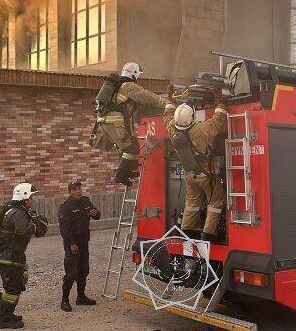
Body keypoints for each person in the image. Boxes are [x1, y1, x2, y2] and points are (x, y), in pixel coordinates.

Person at [164, 89, 227, 242]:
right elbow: (219, 119)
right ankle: (208, 234)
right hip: (206, 173)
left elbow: (167, 116)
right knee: (216, 201)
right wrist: (220, 102)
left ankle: (187, 231)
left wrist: (170, 100)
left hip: (189, 174)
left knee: (192, 202)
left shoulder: (172, 128)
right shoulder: (201, 129)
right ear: (191, 117)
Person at [92, 62, 167, 186]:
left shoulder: (117, 86)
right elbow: (148, 97)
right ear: (134, 74)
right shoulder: (129, 86)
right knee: (132, 148)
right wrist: (166, 103)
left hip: (104, 122)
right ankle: (120, 175)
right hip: (116, 122)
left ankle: (129, 171)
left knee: (128, 146)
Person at [0, 183, 48, 329]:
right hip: (9, 257)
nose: (33, 200)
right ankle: (4, 320)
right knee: (13, 287)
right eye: (31, 197)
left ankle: (8, 314)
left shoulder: (12, 210)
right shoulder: (17, 213)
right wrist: (37, 223)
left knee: (12, 286)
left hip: (8, 255)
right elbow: (24, 230)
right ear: (24, 197)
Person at [58, 181, 101, 312]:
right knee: (71, 273)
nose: (78, 191)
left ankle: (81, 297)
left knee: (83, 270)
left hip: (84, 242)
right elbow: (64, 228)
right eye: (75, 189)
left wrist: (95, 213)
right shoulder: (65, 207)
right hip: (72, 244)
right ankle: (64, 300)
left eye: (79, 189)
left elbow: (97, 216)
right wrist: (71, 244)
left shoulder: (85, 201)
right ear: (70, 192)